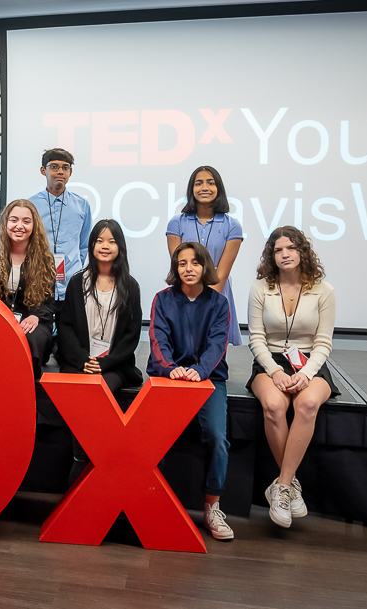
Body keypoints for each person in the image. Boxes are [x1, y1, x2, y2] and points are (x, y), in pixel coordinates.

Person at [247, 226, 338, 528]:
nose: (284, 254)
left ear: (302, 251)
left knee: (307, 404)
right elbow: (256, 339)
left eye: (290, 248)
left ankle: (282, 485)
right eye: (277, 250)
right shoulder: (261, 288)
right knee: (273, 406)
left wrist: (307, 373)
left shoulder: (324, 290)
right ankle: (291, 485)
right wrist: (273, 371)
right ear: (271, 256)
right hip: (269, 361)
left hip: (309, 361)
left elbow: (324, 343)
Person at [147, 242, 234, 541]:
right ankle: (151, 501)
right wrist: (170, 368)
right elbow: (158, 340)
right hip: (168, 376)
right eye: (182, 263)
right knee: (151, 435)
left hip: (208, 378)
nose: (188, 268)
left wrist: (200, 371)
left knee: (217, 438)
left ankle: (212, 505)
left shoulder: (219, 304)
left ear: (204, 266)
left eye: (195, 263)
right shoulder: (162, 299)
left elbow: (217, 345)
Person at [55, 219, 142, 481]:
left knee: (100, 391)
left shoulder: (130, 285)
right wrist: (83, 359)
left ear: (120, 248)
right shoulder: (76, 282)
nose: (105, 246)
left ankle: (90, 462)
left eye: (111, 241)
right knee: (81, 396)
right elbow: (66, 326)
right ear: (91, 245)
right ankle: (82, 458)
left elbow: (131, 335)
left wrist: (104, 363)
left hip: (113, 365)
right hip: (79, 361)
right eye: (99, 241)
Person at [0, 199, 55, 381]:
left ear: (34, 226)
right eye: (14, 220)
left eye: (26, 221)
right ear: (5, 223)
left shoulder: (45, 257)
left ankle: (27, 391)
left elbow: (49, 302)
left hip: (32, 319)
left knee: (31, 341)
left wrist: (36, 316)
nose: (19, 226)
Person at [166, 165, 244, 345]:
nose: (204, 188)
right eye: (198, 183)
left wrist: (204, 305)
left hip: (217, 292)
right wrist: (191, 302)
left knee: (213, 351)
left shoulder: (232, 226)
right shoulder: (176, 223)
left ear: (219, 189)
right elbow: (179, 266)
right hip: (184, 293)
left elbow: (222, 274)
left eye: (210, 183)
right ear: (191, 189)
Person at [29, 148, 92, 308]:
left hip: (72, 281)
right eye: (54, 167)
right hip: (39, 281)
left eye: (65, 167)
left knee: (69, 329)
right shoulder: (31, 206)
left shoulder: (82, 205)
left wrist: (75, 267)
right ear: (43, 170)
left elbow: (84, 245)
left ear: (70, 172)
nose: (60, 172)